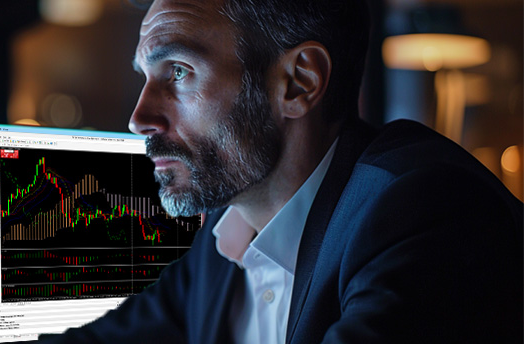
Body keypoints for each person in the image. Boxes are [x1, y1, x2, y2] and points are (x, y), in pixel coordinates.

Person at [38, 0, 523, 342]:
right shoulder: (223, 244)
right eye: (146, 76)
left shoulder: (424, 211)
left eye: (179, 71)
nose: (139, 118)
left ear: (298, 83)